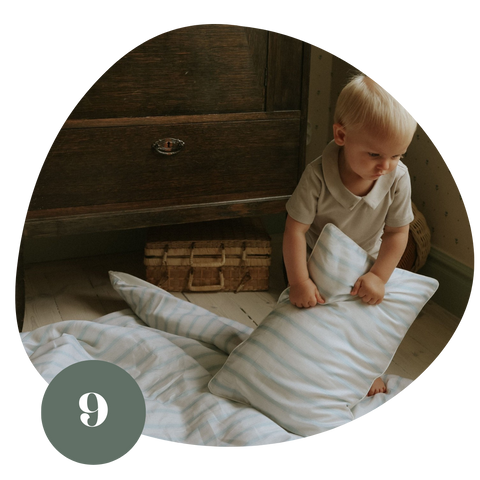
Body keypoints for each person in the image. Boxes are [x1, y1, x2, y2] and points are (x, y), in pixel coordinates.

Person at [283, 73, 418, 396]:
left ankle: (366, 371)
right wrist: (299, 282)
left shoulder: (397, 178)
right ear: (342, 135)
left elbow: (398, 232)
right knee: (308, 321)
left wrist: (379, 276)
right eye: (375, 154)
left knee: (368, 323)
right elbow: (294, 231)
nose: (386, 165)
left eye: (397, 155)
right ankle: (304, 366)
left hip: (367, 262)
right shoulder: (316, 176)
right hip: (317, 262)